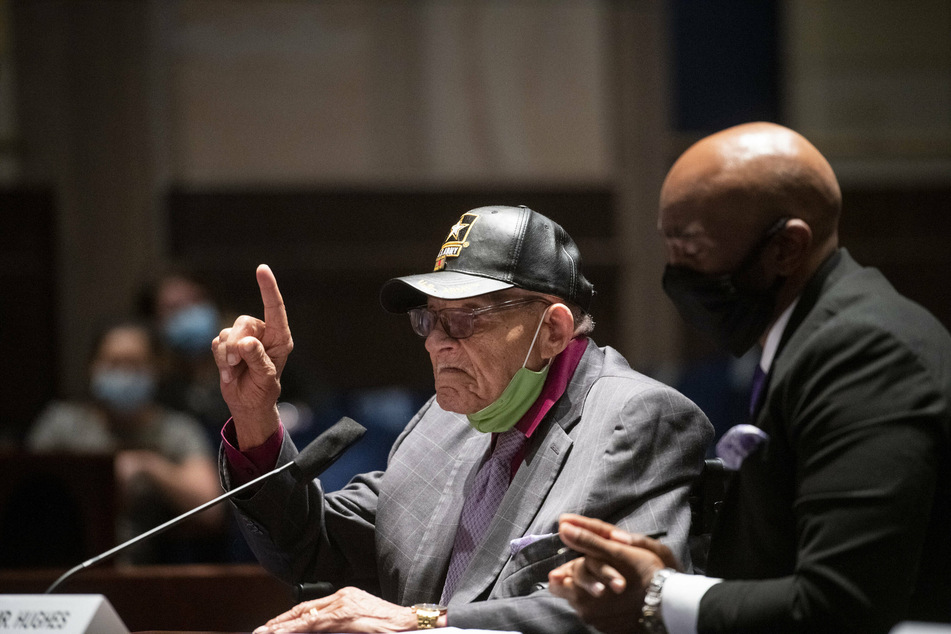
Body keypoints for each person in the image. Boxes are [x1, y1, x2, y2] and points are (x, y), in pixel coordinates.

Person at [212, 205, 713, 633]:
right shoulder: (446, 419)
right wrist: (254, 415)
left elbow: (633, 608)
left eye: (465, 318)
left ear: (553, 329)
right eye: (429, 318)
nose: (435, 341)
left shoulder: (636, 418)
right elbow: (313, 546)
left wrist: (422, 622)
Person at [547, 122, 951, 633]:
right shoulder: (810, 334)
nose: (675, 269)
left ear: (785, 248)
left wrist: (661, 597)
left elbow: (843, 603)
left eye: (692, 249)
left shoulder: (864, 351)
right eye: (669, 244)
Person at [27, 320, 225, 564]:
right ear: (92, 367)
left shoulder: (177, 431)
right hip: (60, 563)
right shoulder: (61, 424)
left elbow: (211, 509)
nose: (122, 374)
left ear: (156, 368)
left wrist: (148, 466)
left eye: (133, 364)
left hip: (141, 572)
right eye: (112, 364)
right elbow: (23, 499)